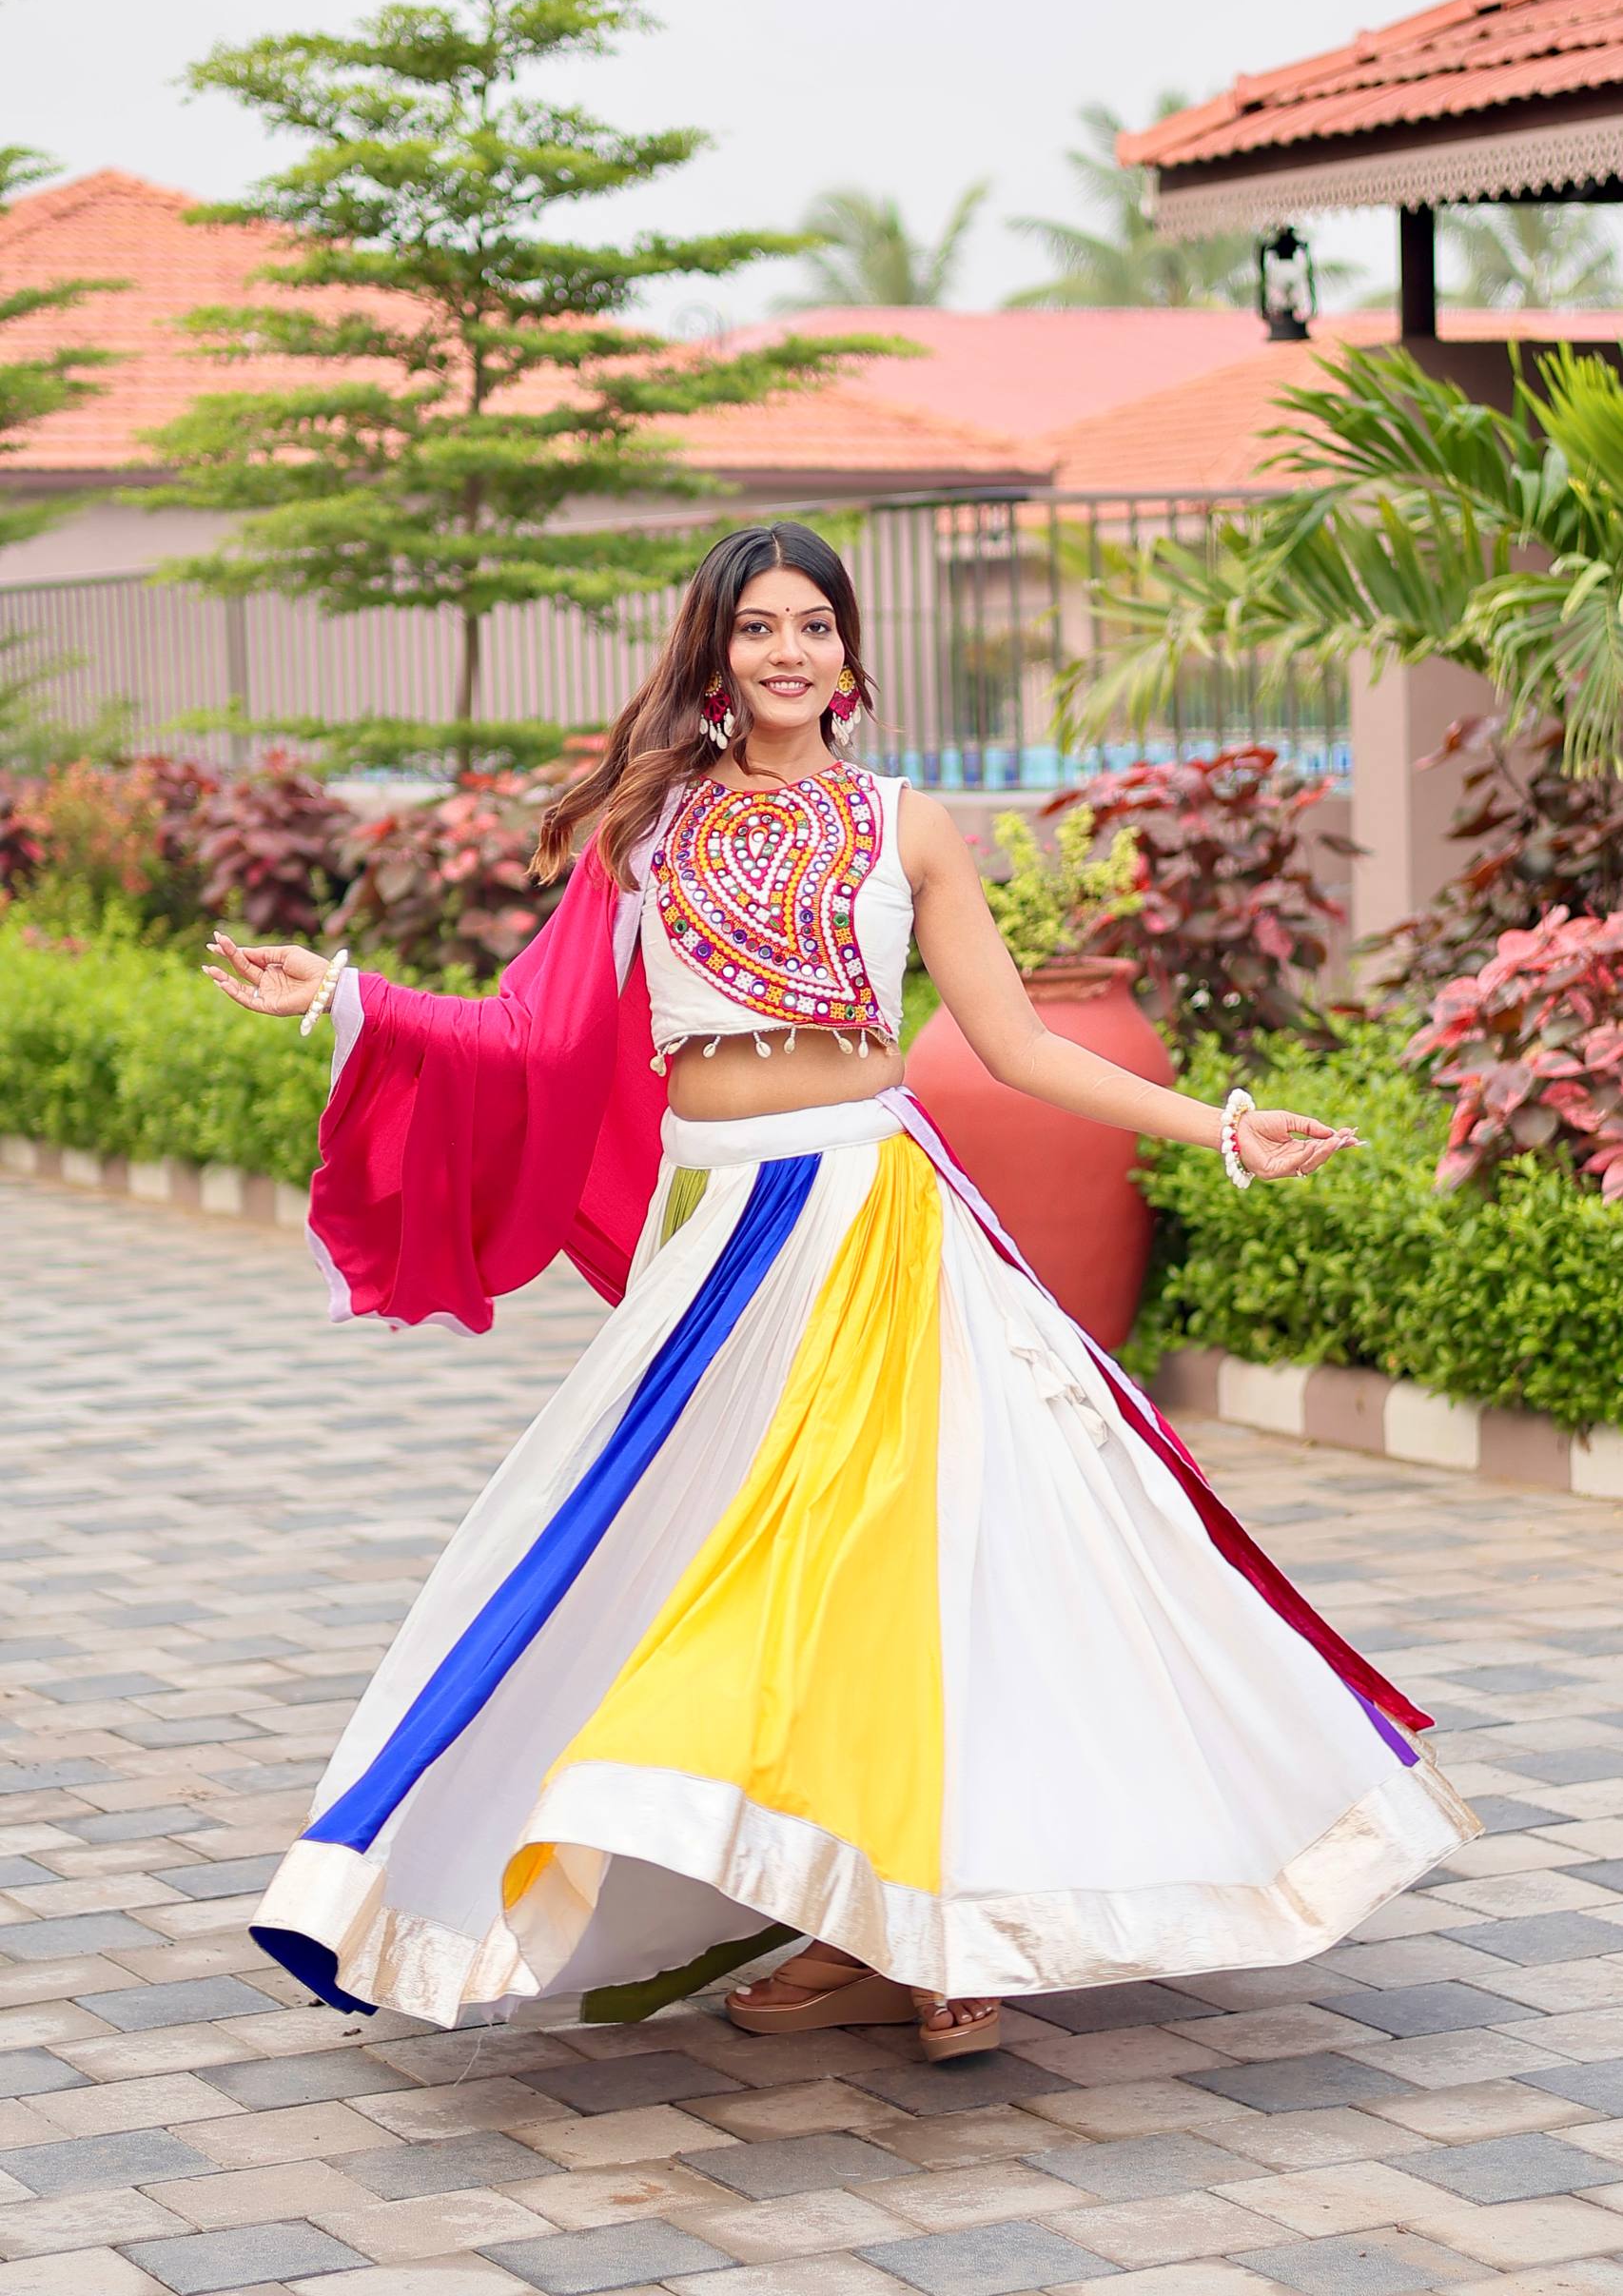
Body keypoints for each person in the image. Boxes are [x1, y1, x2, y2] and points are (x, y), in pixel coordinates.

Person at [205, 520, 1476, 2060]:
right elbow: (530, 1043)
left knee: (919, 1580)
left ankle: (938, 1935)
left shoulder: (906, 825)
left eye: (812, 623)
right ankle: (860, 1918)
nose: (786, 651)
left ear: (849, 654)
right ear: (714, 652)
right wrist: (349, 997)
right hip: (731, 1254)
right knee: (729, 1579)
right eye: (757, 628)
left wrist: (1220, 1128)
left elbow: (1015, 1046)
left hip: (884, 1227)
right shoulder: (645, 830)